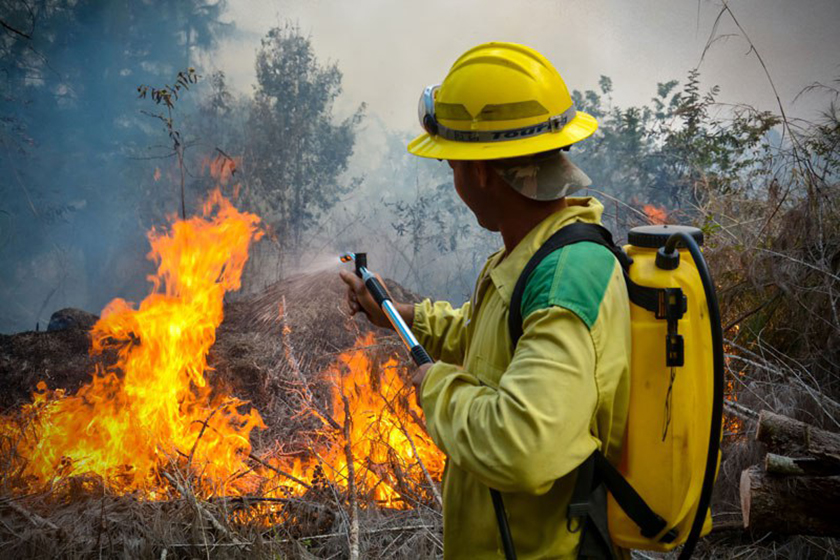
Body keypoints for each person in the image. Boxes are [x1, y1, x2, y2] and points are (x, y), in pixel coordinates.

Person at [340, 42, 631, 559]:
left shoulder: (564, 281)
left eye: (454, 165)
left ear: (478, 171)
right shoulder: (535, 257)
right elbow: (490, 334)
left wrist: (437, 386)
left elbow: (522, 445)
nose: (455, 178)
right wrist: (398, 314)